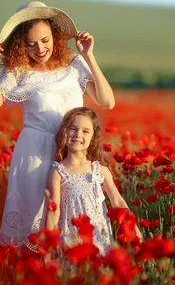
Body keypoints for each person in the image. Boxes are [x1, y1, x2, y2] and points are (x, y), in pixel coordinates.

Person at [0, 1, 115, 250]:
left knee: (73, 223)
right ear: (21, 44)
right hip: (35, 153)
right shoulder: (17, 71)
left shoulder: (74, 64)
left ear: (55, 36)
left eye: (45, 40)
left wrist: (89, 57)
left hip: (73, 151)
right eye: (31, 43)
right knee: (37, 225)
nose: (40, 48)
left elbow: (107, 101)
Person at [45, 107, 142, 255]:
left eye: (85, 131)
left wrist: (133, 228)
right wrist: (48, 246)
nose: (78, 135)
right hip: (71, 237)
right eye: (73, 128)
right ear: (64, 132)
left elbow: (118, 202)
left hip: (99, 235)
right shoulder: (58, 172)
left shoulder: (100, 170)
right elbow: (54, 211)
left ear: (93, 137)